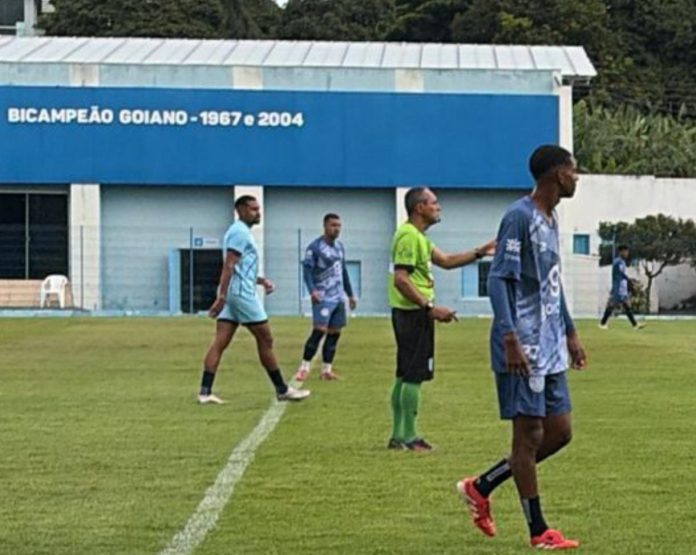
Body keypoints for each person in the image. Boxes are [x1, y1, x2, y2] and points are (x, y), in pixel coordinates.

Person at [456, 145, 587, 550]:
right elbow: (499, 279)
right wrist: (509, 336)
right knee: (528, 436)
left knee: (559, 432)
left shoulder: (551, 219)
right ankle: (538, 530)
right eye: (573, 170)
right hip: (523, 345)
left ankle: (481, 486)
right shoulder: (519, 216)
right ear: (556, 175)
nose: (577, 177)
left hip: (549, 344)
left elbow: (551, 282)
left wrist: (569, 332)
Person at [387, 187, 495, 452]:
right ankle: (409, 437)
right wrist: (429, 308)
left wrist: (480, 252)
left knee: (404, 374)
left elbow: (446, 260)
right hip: (413, 314)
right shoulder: (408, 236)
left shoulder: (419, 238)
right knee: (413, 375)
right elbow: (401, 279)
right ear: (419, 208)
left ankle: (399, 435)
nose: (439, 207)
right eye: (434, 203)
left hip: (412, 313)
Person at [198, 195, 310, 404]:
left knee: (220, 342)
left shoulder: (238, 232)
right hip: (241, 295)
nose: (258, 213)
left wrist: (260, 280)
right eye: (253, 209)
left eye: (258, 209)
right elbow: (229, 265)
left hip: (234, 293)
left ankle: (205, 392)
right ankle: (282, 389)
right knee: (266, 339)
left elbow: (239, 268)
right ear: (240, 210)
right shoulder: (239, 233)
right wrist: (221, 297)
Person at [294, 213, 357, 382]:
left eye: (339, 225)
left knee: (335, 333)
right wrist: (312, 291)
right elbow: (307, 271)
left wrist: (350, 294)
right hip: (323, 297)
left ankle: (326, 370)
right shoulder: (314, 248)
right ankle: (303, 368)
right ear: (325, 226)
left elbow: (343, 271)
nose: (336, 229)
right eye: (333, 225)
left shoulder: (340, 247)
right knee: (319, 330)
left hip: (338, 297)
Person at [599, 245, 644, 329]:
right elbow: (621, 273)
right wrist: (629, 280)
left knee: (626, 306)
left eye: (627, 252)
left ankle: (635, 325)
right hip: (618, 288)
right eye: (625, 252)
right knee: (612, 305)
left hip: (622, 288)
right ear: (621, 252)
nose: (627, 254)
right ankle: (602, 323)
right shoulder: (618, 262)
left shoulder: (622, 262)